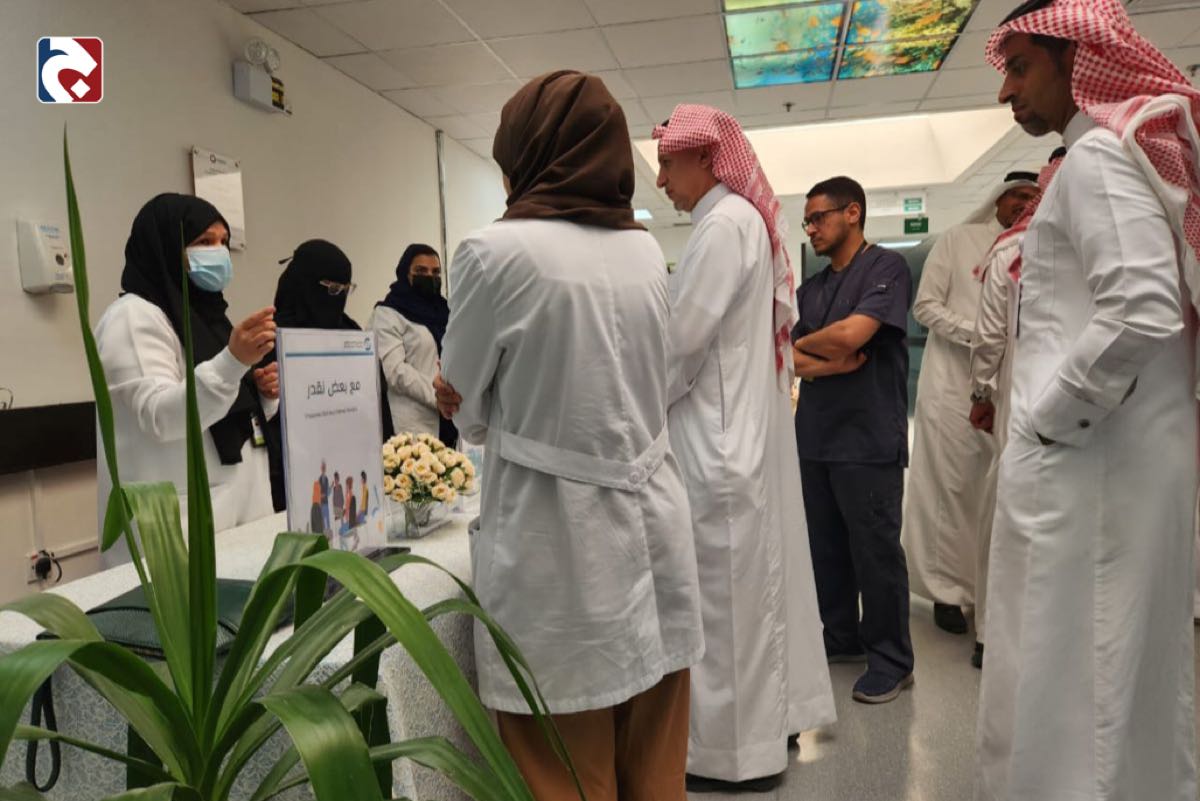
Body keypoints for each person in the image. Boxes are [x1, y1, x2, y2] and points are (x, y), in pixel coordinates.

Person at [433, 71, 704, 801]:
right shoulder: (643, 250)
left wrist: (471, 400)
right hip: (655, 523)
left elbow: (468, 408)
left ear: (527, 154)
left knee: (560, 766)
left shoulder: (492, 253)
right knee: (655, 760)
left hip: (557, 545)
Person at [978, 2, 1200, 798]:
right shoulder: (1099, 156)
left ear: (1076, 59)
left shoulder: (1100, 156)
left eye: (1020, 67)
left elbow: (1141, 307)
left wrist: (1047, 421)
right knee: (1106, 679)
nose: (1006, 91)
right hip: (1111, 461)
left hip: (1094, 464)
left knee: (1079, 685)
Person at [653, 104, 835, 792]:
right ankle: (763, 729)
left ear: (706, 157)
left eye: (669, 163)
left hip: (716, 446)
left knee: (724, 610)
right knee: (751, 600)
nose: (662, 180)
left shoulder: (724, 225)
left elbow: (679, 345)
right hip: (736, 439)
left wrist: (628, 404)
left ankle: (734, 758)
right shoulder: (736, 221)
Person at [94, 193, 278, 567]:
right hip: (180, 532)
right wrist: (233, 362)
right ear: (165, 246)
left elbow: (225, 410)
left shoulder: (206, 316)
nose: (219, 252)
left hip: (238, 515)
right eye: (204, 242)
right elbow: (161, 416)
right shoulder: (132, 318)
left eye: (223, 242)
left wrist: (262, 395)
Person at [792, 176, 915, 704]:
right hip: (816, 437)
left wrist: (815, 346)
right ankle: (841, 637)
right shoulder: (810, 289)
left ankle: (891, 660)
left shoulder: (886, 268)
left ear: (853, 213)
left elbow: (852, 336)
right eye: (807, 221)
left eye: (818, 217)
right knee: (826, 549)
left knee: (875, 551)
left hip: (868, 438)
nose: (810, 228)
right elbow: (785, 355)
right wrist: (828, 362)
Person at [904, 172, 1038, 640]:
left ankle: (987, 592)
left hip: (1009, 388)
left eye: (1032, 197)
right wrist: (979, 335)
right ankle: (947, 591)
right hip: (951, 387)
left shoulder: (1037, 246)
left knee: (995, 493)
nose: (1023, 203)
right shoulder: (958, 240)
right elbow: (925, 306)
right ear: (997, 199)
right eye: (1017, 195)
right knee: (953, 489)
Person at [967, 149, 1064, 669]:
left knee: (1007, 513)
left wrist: (982, 396)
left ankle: (991, 634)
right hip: (1094, 404)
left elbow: (989, 339)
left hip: (1021, 402)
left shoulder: (1012, 248)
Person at [263, 240, 358, 511]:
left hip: (348, 463)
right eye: (332, 289)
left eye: (345, 290)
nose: (338, 298)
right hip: (294, 477)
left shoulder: (352, 336)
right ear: (305, 284)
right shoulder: (269, 341)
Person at [371, 244, 458, 447]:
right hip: (415, 423)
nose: (429, 277)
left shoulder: (446, 312)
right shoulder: (387, 314)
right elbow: (395, 371)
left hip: (452, 419)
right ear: (405, 273)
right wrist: (439, 395)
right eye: (421, 271)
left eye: (435, 272)